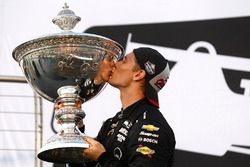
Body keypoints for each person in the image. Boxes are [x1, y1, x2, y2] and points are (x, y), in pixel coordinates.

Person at [81, 47, 176, 167]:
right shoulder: (112, 123)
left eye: (124, 61)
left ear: (138, 74)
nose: (115, 64)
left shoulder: (152, 126)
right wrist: (75, 124)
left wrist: (102, 157)